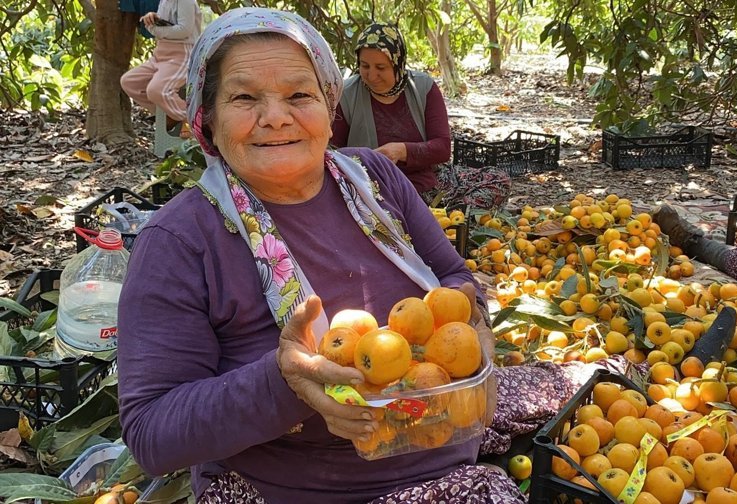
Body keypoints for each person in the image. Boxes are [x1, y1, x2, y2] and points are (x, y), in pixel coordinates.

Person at [118, 8, 581, 503]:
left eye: (299, 94)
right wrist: (283, 381)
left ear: (328, 104)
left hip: (444, 435)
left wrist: (474, 325)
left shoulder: (374, 179)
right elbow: (152, 433)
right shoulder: (181, 239)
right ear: (206, 119)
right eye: (244, 97)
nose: (275, 116)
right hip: (299, 488)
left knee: (596, 377)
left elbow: (451, 277)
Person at [331, 23, 511, 209]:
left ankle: (453, 218)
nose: (371, 75)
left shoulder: (423, 88)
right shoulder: (347, 95)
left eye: (381, 67)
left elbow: (442, 148)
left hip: (430, 180)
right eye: (364, 65)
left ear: (397, 63)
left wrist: (401, 150)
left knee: (499, 180)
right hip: (377, 190)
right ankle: (437, 217)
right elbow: (333, 155)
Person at [120, 0, 202, 138]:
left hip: (182, 55)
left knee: (158, 90)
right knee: (129, 82)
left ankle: (193, 120)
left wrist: (155, 30)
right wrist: (152, 18)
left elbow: (184, 30)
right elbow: (166, 23)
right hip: (161, 53)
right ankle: (169, 114)